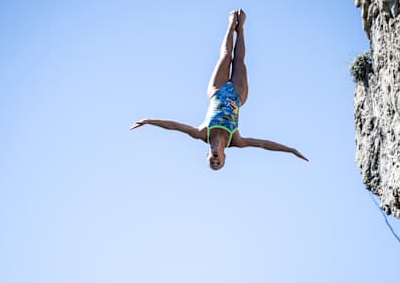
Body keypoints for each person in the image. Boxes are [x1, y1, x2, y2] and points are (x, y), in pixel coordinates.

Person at [131, 9, 308, 170]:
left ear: (207, 155)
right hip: (238, 94)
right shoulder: (236, 141)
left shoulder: (202, 133)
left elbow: (175, 126)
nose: (215, 160)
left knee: (224, 56)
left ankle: (231, 25)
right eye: (219, 162)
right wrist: (290, 150)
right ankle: (242, 28)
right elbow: (264, 145)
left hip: (216, 91)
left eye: (211, 162)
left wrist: (149, 120)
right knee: (239, 61)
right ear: (224, 157)